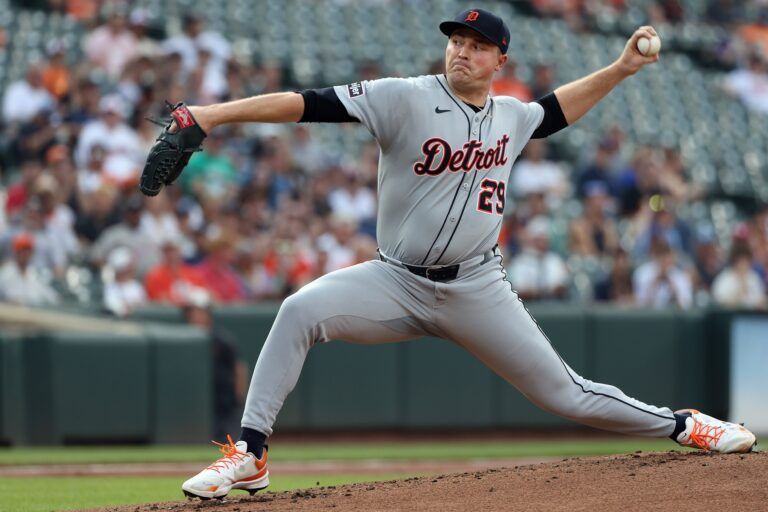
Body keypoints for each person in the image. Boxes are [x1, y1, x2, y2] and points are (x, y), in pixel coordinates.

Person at [169, 9, 755, 500]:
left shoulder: (511, 116)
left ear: (501, 60)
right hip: (394, 280)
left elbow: (554, 111)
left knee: (565, 394)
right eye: (455, 41)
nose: (461, 52)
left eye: (477, 46)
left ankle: (685, 424)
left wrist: (623, 68)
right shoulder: (402, 97)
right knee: (298, 310)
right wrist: (214, 115)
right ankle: (250, 453)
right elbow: (306, 103)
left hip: (477, 287)